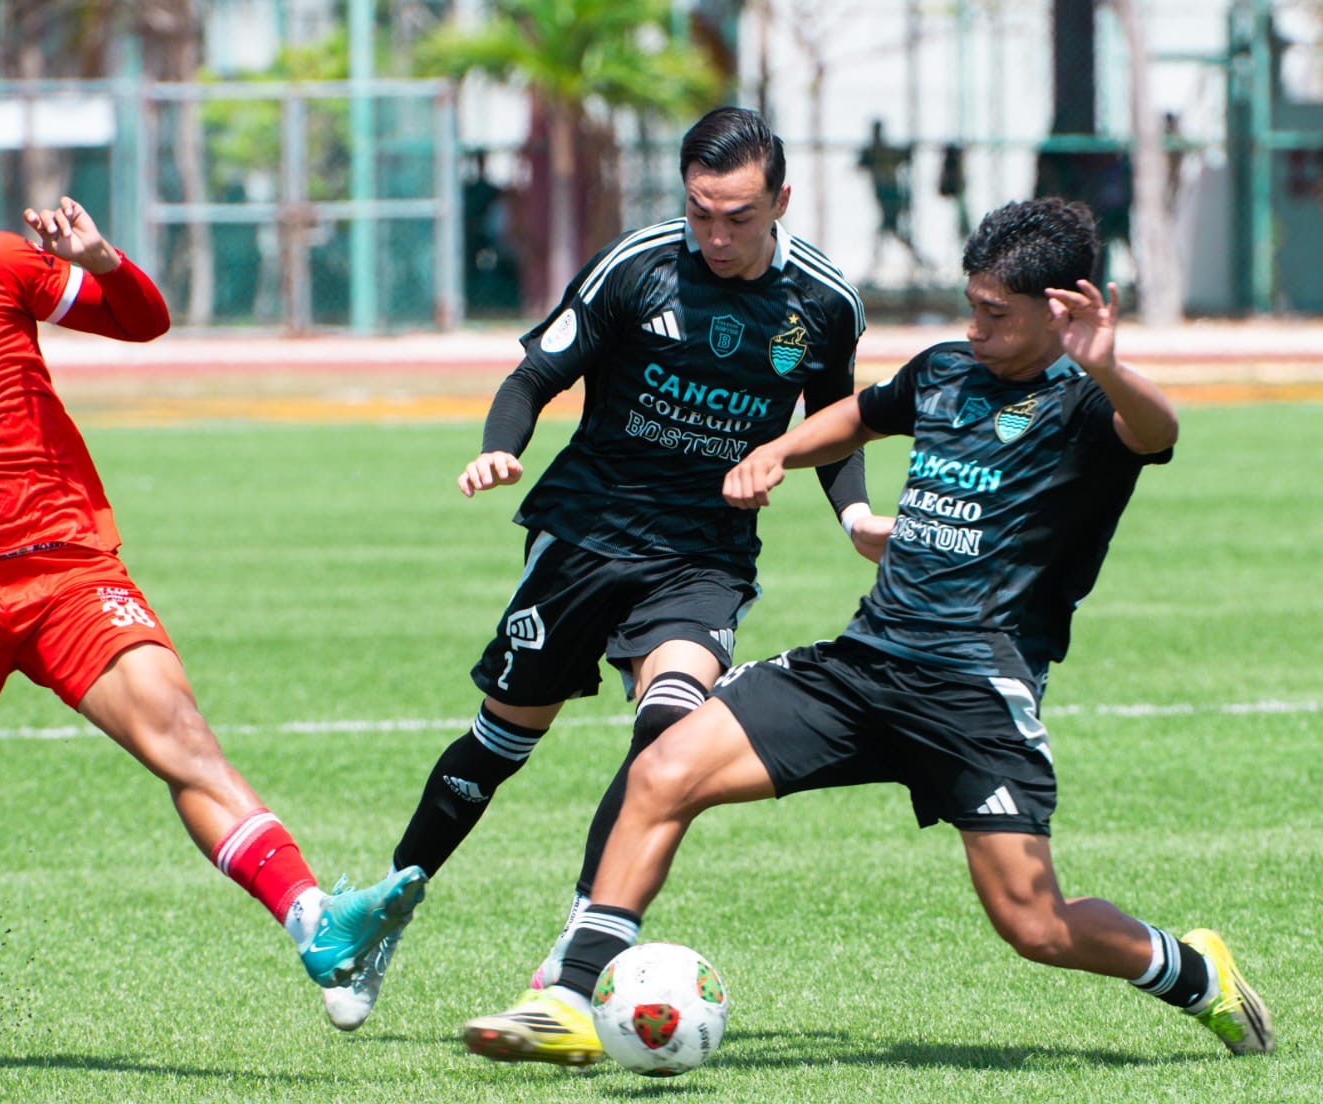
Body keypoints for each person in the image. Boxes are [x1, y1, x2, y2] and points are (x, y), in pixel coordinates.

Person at [464, 197, 1274, 1064]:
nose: (977, 327)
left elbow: (1157, 430)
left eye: (996, 315)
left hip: (973, 694)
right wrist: (781, 451)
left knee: (1034, 925)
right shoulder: (947, 369)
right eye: (973, 305)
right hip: (862, 665)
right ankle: (570, 996)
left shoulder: (1086, 407)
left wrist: (1108, 367)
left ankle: (1194, 971)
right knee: (663, 767)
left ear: (1064, 309)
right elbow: (863, 413)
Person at [0, 124, 427, 1078]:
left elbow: (142, 322)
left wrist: (102, 260)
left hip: (65, 569)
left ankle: (317, 923)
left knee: (180, 740)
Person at [320, 106, 886, 1034]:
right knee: (499, 745)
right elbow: (532, 377)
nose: (716, 236)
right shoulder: (640, 265)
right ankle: (384, 913)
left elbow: (834, 421)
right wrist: (500, 449)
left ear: (781, 199)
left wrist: (855, 511)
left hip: (702, 557)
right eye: (701, 211)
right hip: (582, 540)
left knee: (670, 733)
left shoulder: (823, 302)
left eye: (738, 216)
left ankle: (581, 943)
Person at [857, 118, 928, 279]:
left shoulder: (885, 151)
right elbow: (860, 164)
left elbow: (906, 156)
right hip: (884, 195)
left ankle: (875, 267)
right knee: (890, 230)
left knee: (887, 229)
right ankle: (920, 260)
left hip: (892, 195)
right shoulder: (873, 151)